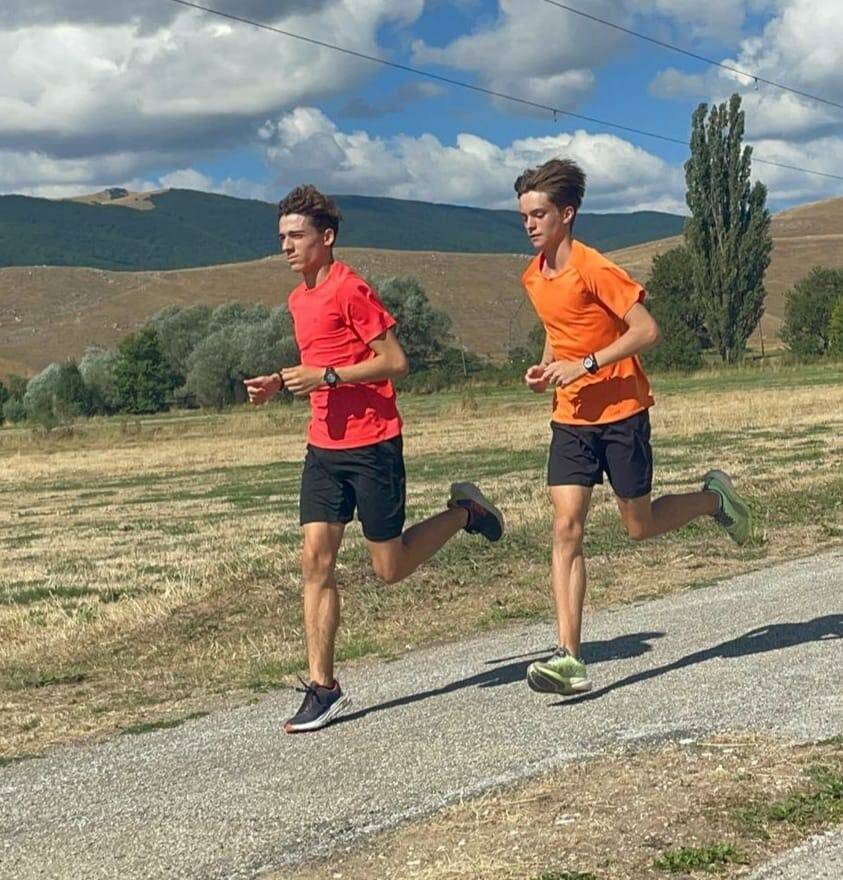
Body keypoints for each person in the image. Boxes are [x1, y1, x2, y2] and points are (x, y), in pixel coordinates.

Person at [244, 185, 504, 733]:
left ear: (326, 237)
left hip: (373, 444)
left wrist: (328, 377)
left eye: (296, 236)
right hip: (323, 447)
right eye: (281, 238)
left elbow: (395, 361)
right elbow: (320, 359)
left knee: (390, 569)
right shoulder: (299, 299)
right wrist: (283, 380)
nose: (286, 247)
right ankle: (323, 687)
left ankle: (465, 513)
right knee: (315, 561)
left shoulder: (350, 288)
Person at [514, 158, 751, 696]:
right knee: (566, 526)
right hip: (570, 417)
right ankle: (568, 656)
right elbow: (560, 331)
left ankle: (714, 500)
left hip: (622, 413)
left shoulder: (594, 267)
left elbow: (646, 330)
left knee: (637, 525)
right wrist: (546, 366)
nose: (529, 224)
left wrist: (589, 364)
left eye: (539, 214)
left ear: (567, 214)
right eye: (524, 215)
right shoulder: (533, 275)